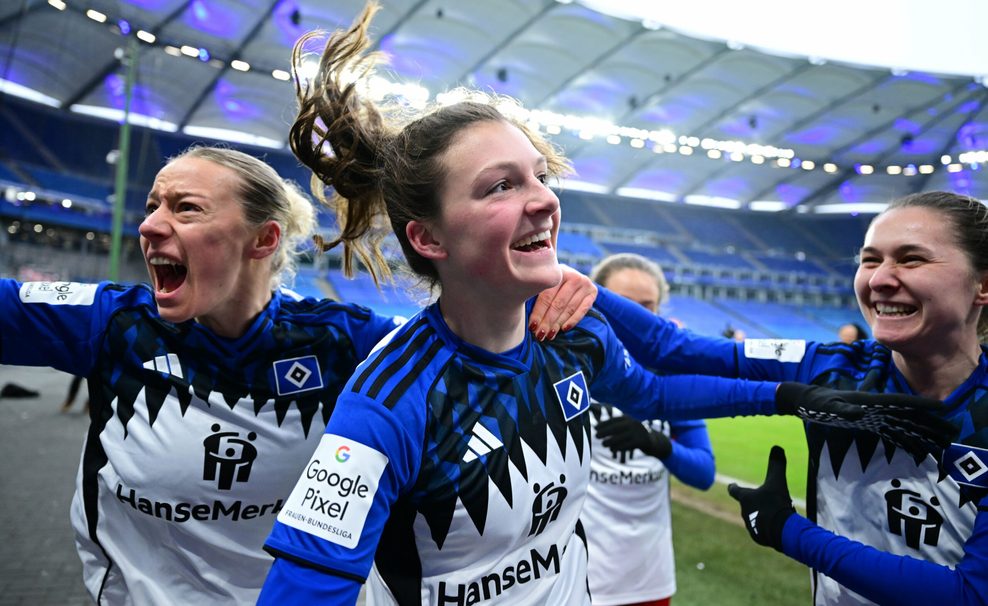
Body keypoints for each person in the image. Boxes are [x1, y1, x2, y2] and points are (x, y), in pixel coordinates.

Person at [257, 5, 953, 604]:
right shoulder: (388, 402)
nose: (542, 198)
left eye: (538, 175)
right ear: (428, 236)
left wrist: (790, 396)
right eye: (500, 186)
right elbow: (306, 581)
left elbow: (655, 389)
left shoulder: (572, 335)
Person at [0, 145, 412, 604]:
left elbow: (474, 347)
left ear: (263, 239)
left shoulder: (344, 340)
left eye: (186, 208)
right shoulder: (114, 324)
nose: (149, 225)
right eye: (152, 206)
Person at [586, 191, 988, 604]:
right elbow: (668, 348)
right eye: (870, 260)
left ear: (983, 284)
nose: (880, 279)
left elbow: (970, 595)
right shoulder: (829, 369)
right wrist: (572, 285)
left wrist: (788, 530)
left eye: (911, 259)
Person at [584, 253, 714, 606]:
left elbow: (704, 472)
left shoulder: (671, 378)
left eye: (648, 306)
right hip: (577, 575)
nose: (638, 318)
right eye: (626, 306)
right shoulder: (573, 368)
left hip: (649, 576)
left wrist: (658, 444)